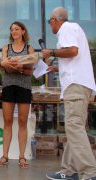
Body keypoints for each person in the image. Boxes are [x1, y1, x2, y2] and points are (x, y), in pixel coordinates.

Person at [43, 7, 96, 180]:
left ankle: (89, 173)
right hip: (81, 85)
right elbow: (75, 59)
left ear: (55, 20)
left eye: (49, 22)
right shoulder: (74, 29)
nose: (50, 26)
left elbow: (72, 51)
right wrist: (58, 66)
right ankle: (69, 170)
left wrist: (50, 52)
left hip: (76, 86)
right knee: (75, 129)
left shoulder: (66, 28)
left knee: (74, 127)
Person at [0, 21, 34, 168]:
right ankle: (4, 156)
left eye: (17, 29)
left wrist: (17, 68)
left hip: (24, 87)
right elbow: (2, 65)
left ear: (23, 31)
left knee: (23, 122)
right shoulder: (6, 47)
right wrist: (15, 66)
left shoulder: (29, 48)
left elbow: (30, 71)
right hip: (8, 86)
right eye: (12, 30)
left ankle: (22, 157)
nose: (14, 32)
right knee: (7, 121)